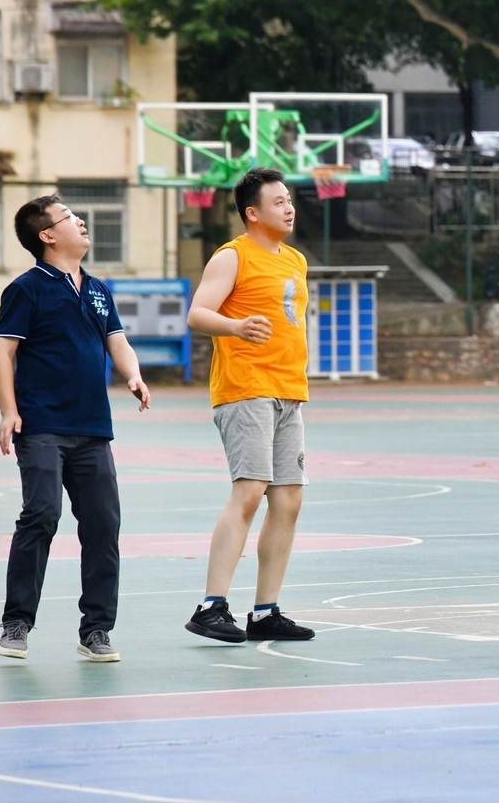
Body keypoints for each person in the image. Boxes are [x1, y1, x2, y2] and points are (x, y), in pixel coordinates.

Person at [0, 196, 150, 661]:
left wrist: (133, 375)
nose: (80, 221)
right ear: (47, 235)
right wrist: (8, 411)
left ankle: (96, 630)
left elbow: (117, 340)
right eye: (68, 217)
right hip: (41, 425)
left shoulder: (98, 289)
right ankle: (17, 622)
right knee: (41, 514)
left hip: (93, 428)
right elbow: (3, 353)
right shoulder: (27, 289)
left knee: (103, 525)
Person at [184, 168, 315, 643]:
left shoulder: (295, 260)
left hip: (288, 391)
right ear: (252, 213)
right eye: (278, 202)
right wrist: (235, 327)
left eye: (290, 200)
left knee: (289, 499)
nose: (289, 208)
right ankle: (211, 606)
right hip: (246, 389)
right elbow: (198, 313)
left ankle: (265, 612)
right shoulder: (232, 256)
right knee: (250, 492)